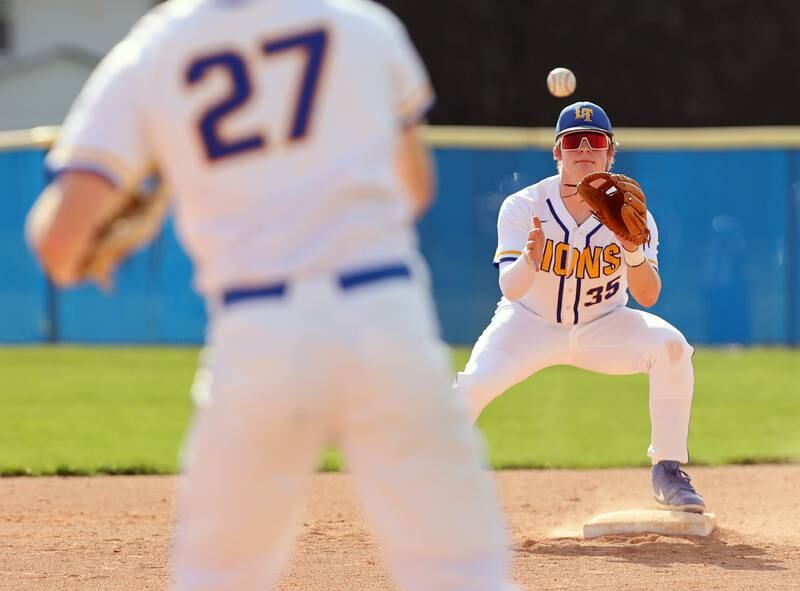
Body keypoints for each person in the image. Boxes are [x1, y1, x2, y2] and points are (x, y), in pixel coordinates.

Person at [25, 1, 516, 589]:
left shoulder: (154, 50)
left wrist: (121, 216)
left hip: (260, 338)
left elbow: (58, 244)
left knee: (218, 575)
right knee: (462, 571)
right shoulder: (362, 24)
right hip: (385, 319)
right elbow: (414, 188)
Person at [455, 101, 706, 514]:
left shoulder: (633, 213)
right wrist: (528, 261)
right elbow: (511, 287)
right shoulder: (524, 206)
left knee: (672, 348)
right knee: (472, 386)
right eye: (573, 140)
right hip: (529, 324)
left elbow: (647, 295)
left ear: (610, 152)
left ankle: (668, 470)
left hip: (604, 325)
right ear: (557, 152)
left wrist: (632, 252)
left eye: (596, 141)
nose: (584, 148)